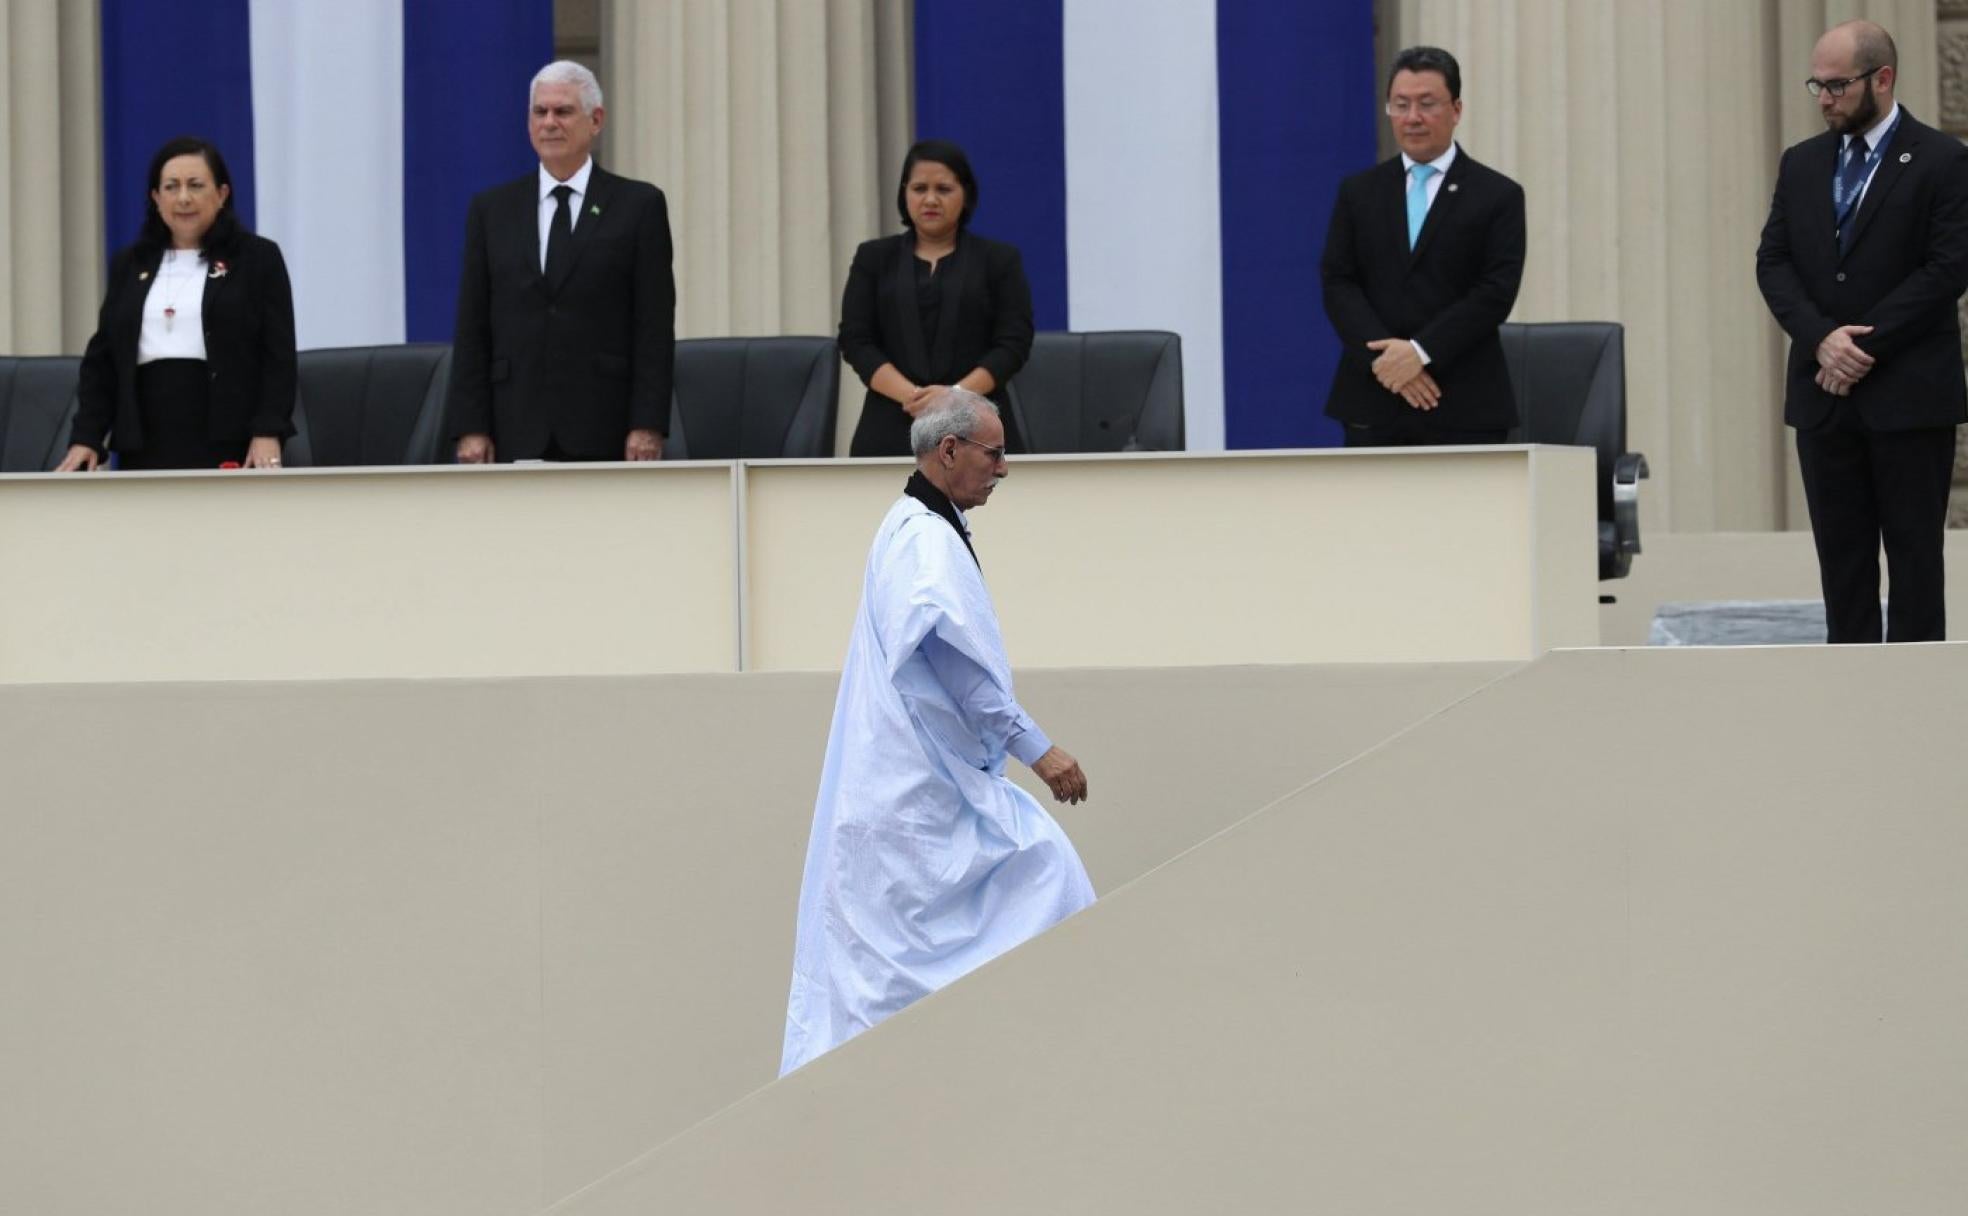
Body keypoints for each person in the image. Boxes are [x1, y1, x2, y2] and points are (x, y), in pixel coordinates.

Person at [781, 389, 1093, 1074]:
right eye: (995, 453)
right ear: (949, 451)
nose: (1004, 468)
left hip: (916, 782)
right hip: (913, 790)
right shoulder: (923, 541)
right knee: (1047, 873)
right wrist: (1042, 754)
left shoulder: (914, 526)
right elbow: (960, 669)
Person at [1756, 20, 1968, 644]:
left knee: (1914, 568)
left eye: (1837, 86)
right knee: (1842, 569)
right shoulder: (1802, 162)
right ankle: (1849, 717)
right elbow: (1774, 261)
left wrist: (1860, 347)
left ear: (1883, 78)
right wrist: (1822, 339)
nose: (1824, 99)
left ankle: (1913, 716)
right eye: (1816, 86)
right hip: (1825, 398)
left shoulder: (1944, 161)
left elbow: (1947, 269)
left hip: (1908, 399)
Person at [448, 60, 675, 463]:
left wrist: (648, 423)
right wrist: (470, 426)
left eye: (563, 111)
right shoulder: (492, 209)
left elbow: (653, 325)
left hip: (606, 425)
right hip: (512, 424)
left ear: (596, 120)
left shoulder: (638, 206)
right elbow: (472, 325)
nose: (550, 123)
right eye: (540, 112)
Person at [1319, 46, 1526, 446]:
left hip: (1463, 401)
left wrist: (1420, 352)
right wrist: (1388, 360)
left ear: (1457, 109)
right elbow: (1338, 282)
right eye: (1401, 105)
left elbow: (1496, 291)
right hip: (1373, 398)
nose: (1413, 117)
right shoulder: (1358, 192)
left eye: (1427, 104)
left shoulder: (1497, 195)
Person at [58, 136, 295, 471]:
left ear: (222, 194)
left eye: (196, 185)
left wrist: (269, 429)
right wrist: (87, 436)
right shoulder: (131, 263)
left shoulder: (256, 258)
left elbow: (278, 356)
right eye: (171, 187)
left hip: (229, 438)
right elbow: (104, 360)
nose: (183, 198)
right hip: (144, 441)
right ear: (156, 198)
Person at [838, 140, 1035, 456]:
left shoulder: (999, 260)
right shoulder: (873, 258)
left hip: (978, 424)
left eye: (943, 189)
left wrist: (954, 398)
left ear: (966, 194)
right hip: (891, 421)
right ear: (905, 193)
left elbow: (1014, 342)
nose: (930, 199)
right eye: (919, 188)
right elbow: (855, 339)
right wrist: (913, 396)